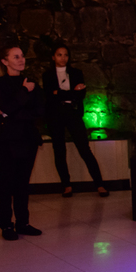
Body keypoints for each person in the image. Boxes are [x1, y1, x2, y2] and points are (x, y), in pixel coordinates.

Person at [0, 44, 44, 240]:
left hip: (27, 138)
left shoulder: (32, 82)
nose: (21, 60)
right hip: (5, 140)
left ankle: (23, 223)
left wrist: (11, 112)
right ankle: (6, 225)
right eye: (16, 57)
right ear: (5, 61)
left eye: (22, 56)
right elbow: (6, 107)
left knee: (23, 183)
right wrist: (23, 92)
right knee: (5, 183)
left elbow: (39, 110)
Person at [41, 44, 108, 198]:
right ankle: (66, 185)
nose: (63, 58)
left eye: (65, 55)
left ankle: (99, 184)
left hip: (73, 113)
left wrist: (61, 93)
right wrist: (71, 92)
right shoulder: (48, 75)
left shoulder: (76, 73)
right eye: (59, 55)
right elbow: (50, 96)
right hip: (55, 114)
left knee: (84, 148)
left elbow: (80, 95)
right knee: (59, 150)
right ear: (53, 57)